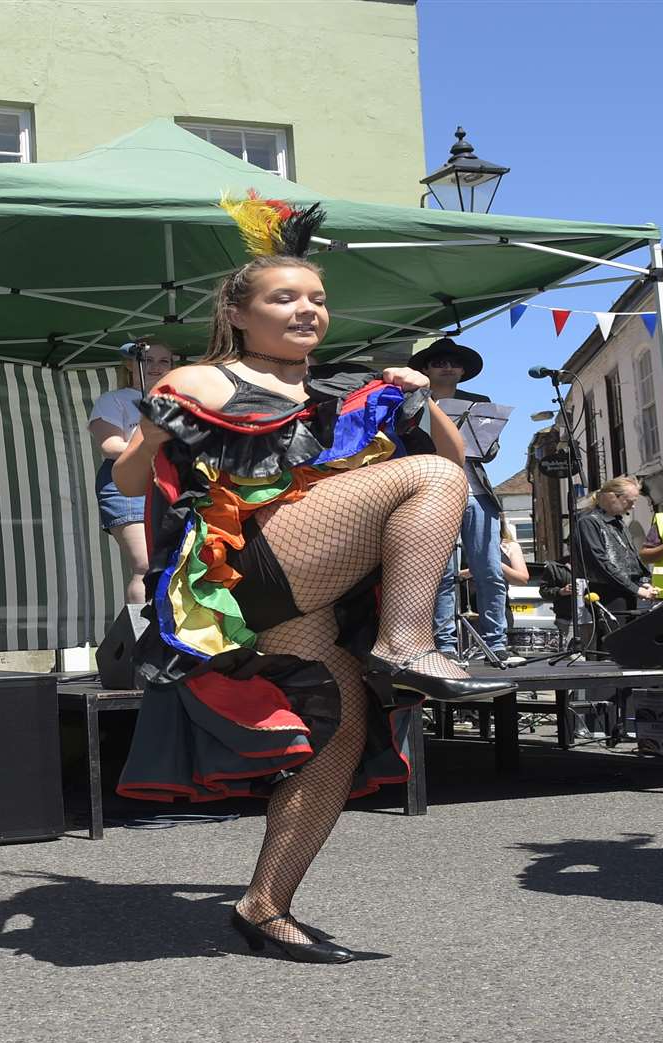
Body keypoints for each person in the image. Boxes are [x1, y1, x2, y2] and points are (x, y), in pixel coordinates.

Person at [110, 192, 512, 964]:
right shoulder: (203, 379)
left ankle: (265, 906)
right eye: (285, 298)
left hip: (304, 588)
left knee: (339, 731)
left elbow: (459, 472)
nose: (308, 310)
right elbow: (131, 479)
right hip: (243, 568)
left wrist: (422, 401)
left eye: (318, 299)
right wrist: (158, 418)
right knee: (422, 477)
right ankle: (405, 641)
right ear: (239, 311)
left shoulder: (339, 392)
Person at [415, 338, 519, 665]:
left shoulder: (478, 402)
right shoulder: (413, 402)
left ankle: (496, 642)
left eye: (454, 363)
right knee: (442, 574)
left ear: (462, 371)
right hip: (433, 491)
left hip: (476, 493)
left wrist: (482, 439)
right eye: (439, 362)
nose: (448, 367)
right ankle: (444, 645)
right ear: (426, 369)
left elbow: (489, 452)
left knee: (489, 570)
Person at [88, 338, 178, 606]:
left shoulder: (177, 403)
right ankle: (143, 638)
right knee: (145, 564)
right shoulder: (113, 400)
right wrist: (154, 446)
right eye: (147, 361)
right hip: (127, 482)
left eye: (164, 361)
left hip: (169, 482)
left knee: (173, 563)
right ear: (130, 364)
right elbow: (110, 446)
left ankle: (169, 634)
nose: (156, 367)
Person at [572, 475, 657, 614]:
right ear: (613, 497)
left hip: (625, 591)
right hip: (607, 595)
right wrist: (636, 589)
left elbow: (632, 558)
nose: (633, 506)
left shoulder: (618, 522)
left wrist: (643, 582)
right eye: (630, 501)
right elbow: (600, 562)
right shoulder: (589, 522)